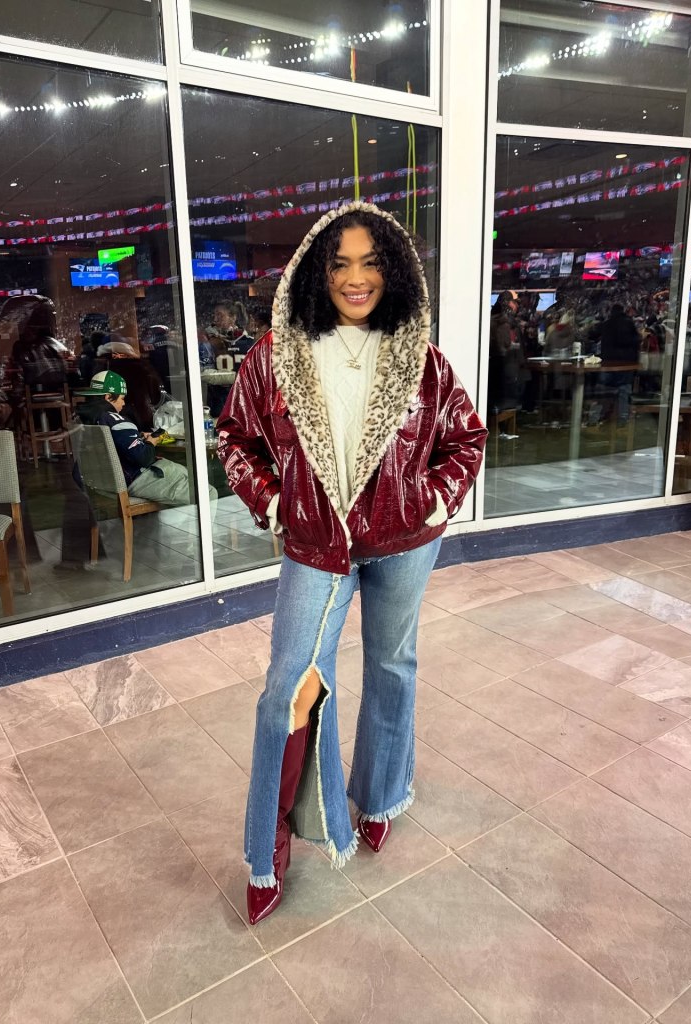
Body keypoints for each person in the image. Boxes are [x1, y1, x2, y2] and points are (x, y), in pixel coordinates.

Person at [217, 201, 487, 925]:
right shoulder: (275, 355)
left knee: (393, 664)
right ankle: (269, 844)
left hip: (405, 540)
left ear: (392, 271)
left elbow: (466, 439)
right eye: (340, 264)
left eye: (370, 263)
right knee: (290, 686)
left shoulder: (421, 360)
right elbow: (234, 439)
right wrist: (276, 503)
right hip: (317, 543)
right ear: (317, 272)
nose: (356, 278)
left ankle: (381, 795)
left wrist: (433, 500)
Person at [75, 369, 194, 506]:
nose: (123, 403)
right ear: (108, 397)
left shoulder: (81, 419)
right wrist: (151, 442)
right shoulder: (117, 420)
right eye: (122, 398)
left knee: (185, 474)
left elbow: (113, 444)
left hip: (102, 484)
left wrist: (136, 436)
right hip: (135, 480)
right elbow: (144, 457)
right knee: (204, 490)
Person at [599, 302, 641, 426]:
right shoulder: (629, 323)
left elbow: (593, 334)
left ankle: (601, 416)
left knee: (605, 390)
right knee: (624, 390)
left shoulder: (607, 324)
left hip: (608, 363)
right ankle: (622, 419)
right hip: (626, 363)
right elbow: (636, 340)